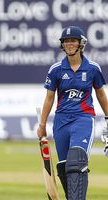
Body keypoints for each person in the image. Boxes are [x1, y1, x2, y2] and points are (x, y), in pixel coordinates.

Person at [37, 26, 108, 200]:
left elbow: (100, 94)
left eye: (72, 41)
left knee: (76, 161)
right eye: (66, 41)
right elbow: (49, 99)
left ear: (80, 44)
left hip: (83, 119)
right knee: (64, 168)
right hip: (61, 121)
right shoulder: (56, 69)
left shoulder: (92, 68)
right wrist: (42, 124)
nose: (69, 44)